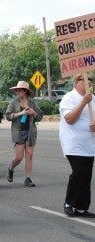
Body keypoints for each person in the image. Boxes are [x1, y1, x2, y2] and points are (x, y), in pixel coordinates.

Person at [59, 74, 95, 218]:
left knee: (86, 176)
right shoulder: (69, 97)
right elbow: (69, 119)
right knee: (78, 172)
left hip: (89, 144)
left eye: (90, 81)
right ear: (76, 83)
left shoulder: (93, 99)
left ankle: (81, 207)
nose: (89, 83)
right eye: (85, 80)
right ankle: (69, 203)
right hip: (73, 143)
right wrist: (83, 102)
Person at [5, 81, 43, 187]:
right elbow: (8, 116)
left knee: (29, 155)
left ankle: (28, 178)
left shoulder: (32, 103)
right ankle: (11, 167)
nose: (17, 92)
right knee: (19, 157)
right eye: (16, 90)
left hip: (30, 132)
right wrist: (21, 113)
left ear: (25, 91)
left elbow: (39, 116)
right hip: (18, 132)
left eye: (19, 90)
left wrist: (33, 113)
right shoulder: (13, 103)